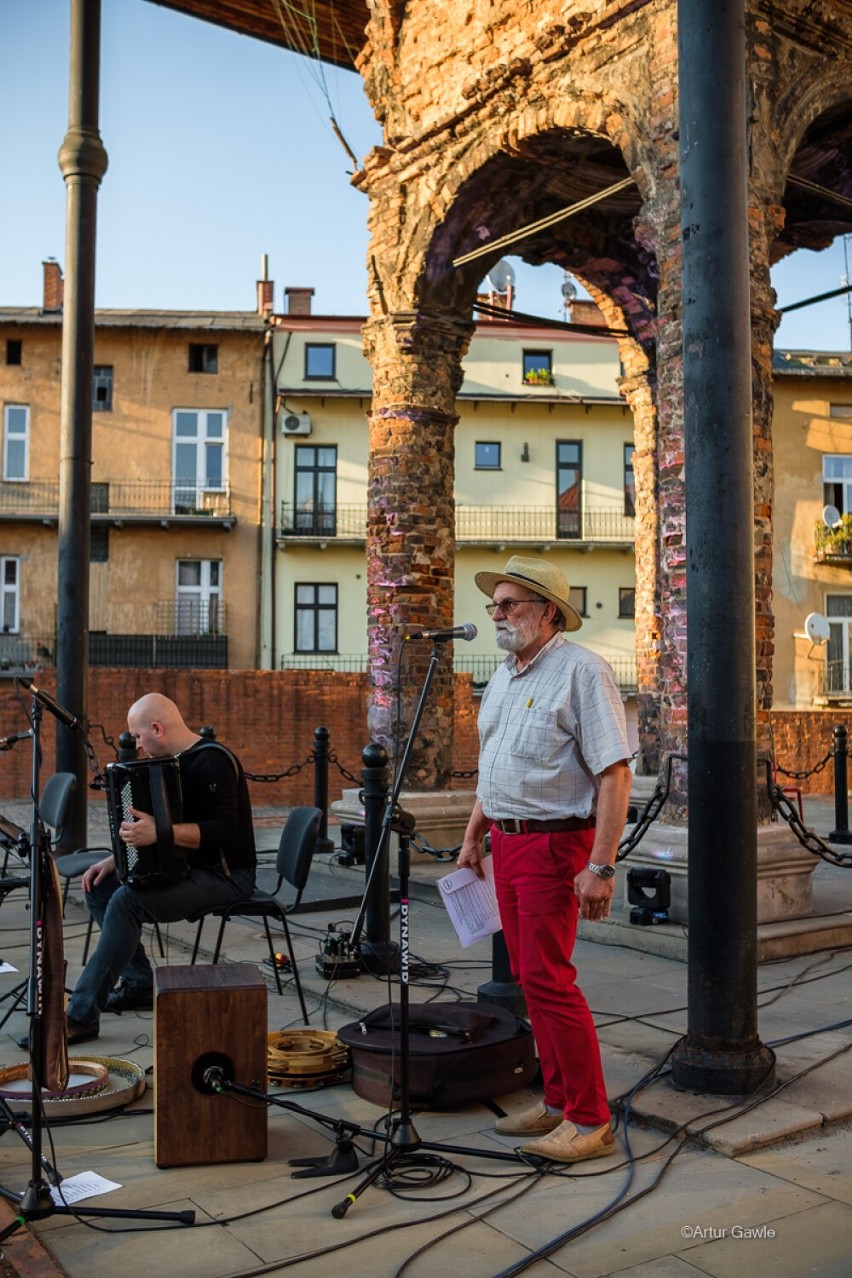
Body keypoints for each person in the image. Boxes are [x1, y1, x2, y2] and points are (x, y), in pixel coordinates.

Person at [457, 556, 633, 1164]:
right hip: (507, 840)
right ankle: (558, 1101)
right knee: (532, 979)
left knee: (552, 981)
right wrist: (474, 834)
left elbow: (614, 774)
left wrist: (602, 866)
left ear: (548, 611)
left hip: (555, 844)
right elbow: (497, 764)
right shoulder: (505, 674)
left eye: (510, 604)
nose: (498, 615)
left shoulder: (583, 671)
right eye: (495, 605)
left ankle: (590, 1120)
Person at [63, 693, 257, 1044]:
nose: (136, 746)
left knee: (127, 902)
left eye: (138, 736)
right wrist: (115, 861)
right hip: (188, 868)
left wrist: (160, 832)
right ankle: (138, 985)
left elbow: (224, 833)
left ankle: (80, 1016)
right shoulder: (171, 764)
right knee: (101, 888)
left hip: (227, 876)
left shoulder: (212, 761)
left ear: (157, 728)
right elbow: (163, 828)